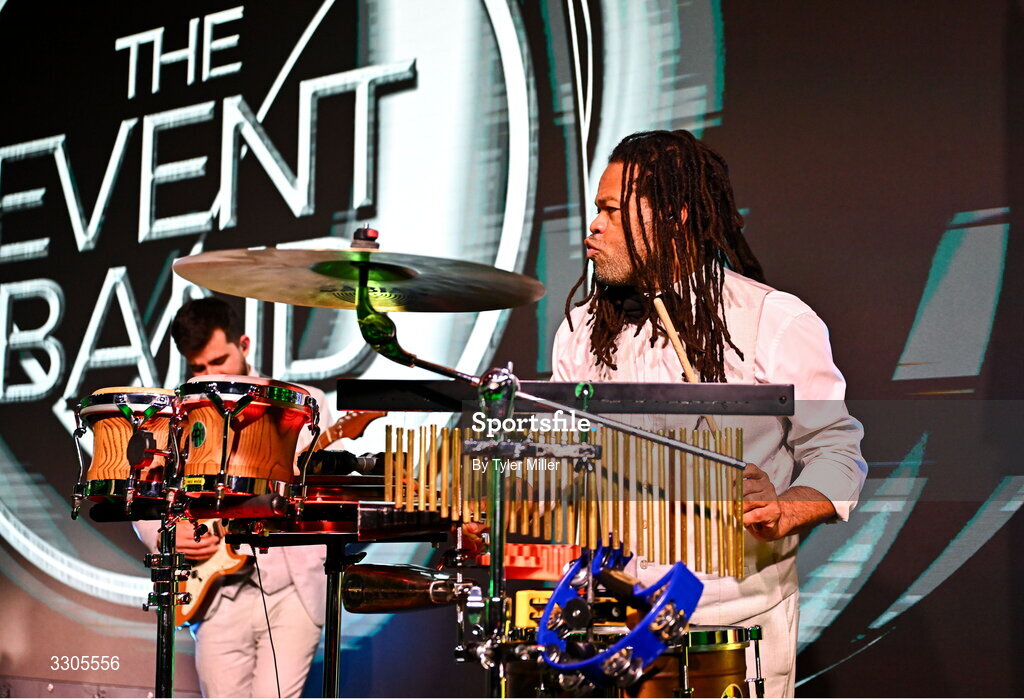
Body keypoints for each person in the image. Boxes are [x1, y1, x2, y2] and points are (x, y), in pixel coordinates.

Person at [551, 130, 867, 697]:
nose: (592, 226)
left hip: (734, 624)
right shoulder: (580, 333)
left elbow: (837, 452)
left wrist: (787, 506)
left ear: (673, 216)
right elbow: (566, 458)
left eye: (611, 211)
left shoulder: (773, 321)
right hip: (614, 623)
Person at [135, 297, 332, 698]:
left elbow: (321, 496)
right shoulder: (177, 414)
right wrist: (162, 535)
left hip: (291, 590)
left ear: (244, 345)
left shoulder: (301, 404)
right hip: (215, 595)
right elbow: (148, 488)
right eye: (198, 368)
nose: (210, 374)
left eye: (219, 361)